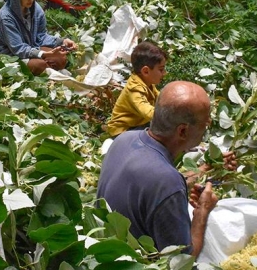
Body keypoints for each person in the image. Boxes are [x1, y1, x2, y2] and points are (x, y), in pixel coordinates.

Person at [97, 81, 238, 257]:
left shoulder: (124, 139)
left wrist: (208, 169)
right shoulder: (167, 183)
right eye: (205, 122)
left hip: (106, 251)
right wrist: (202, 211)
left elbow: (153, 182)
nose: (208, 123)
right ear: (182, 131)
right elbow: (182, 262)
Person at [0, 0, 76, 75]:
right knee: (39, 65)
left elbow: (41, 36)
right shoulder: (6, 17)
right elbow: (18, 48)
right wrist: (43, 54)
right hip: (11, 55)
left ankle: (49, 72)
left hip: (32, 47)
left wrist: (62, 42)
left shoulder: (35, 9)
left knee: (60, 58)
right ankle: (49, 73)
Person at [106, 41, 168, 137]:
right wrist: (170, 116)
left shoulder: (147, 82)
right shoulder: (134, 89)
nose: (164, 73)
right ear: (146, 71)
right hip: (123, 130)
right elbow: (146, 111)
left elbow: (159, 97)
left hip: (138, 124)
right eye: (161, 69)